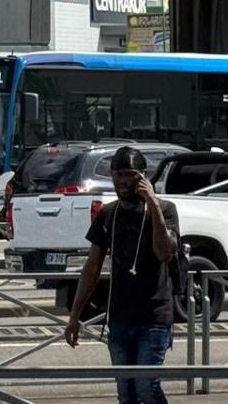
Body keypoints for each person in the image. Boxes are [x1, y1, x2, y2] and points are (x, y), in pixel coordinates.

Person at [64, 147, 179, 404]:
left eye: (129, 174)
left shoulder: (165, 210)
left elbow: (164, 253)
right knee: (126, 394)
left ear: (143, 177)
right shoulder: (108, 214)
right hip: (119, 319)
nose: (122, 181)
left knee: (146, 387)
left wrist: (153, 205)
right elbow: (92, 267)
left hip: (153, 319)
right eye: (117, 175)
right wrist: (74, 317)